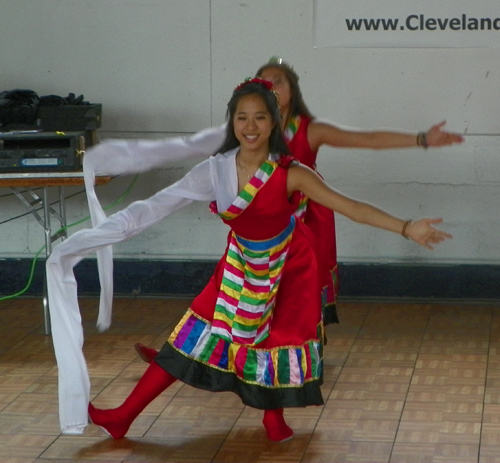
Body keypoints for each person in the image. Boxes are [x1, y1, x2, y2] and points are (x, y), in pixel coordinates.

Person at [47, 78, 452, 442]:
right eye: (242, 117)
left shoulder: (292, 173)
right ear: (232, 123)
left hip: (289, 268)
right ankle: (123, 416)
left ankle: (273, 420)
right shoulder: (215, 171)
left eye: (260, 117)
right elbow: (156, 206)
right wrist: (89, 240)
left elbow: (350, 207)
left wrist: (405, 227)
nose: (251, 126)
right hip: (239, 267)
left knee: (272, 342)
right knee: (190, 336)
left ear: (274, 123)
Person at [133, 57, 464, 364]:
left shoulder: (309, 129)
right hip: (259, 229)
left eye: (278, 80)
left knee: (298, 299)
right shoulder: (248, 130)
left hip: (305, 225)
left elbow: (368, 139)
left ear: (292, 89)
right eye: (264, 81)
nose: (271, 86)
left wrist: (421, 138)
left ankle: (300, 362)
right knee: (226, 295)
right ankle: (174, 357)